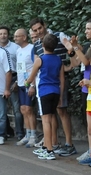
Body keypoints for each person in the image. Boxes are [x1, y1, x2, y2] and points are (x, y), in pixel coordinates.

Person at [62, 17, 91, 162]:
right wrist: (71, 50)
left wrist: (75, 47)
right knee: (90, 126)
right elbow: (77, 62)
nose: (86, 31)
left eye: (89, 28)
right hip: (86, 89)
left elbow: (87, 61)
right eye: (86, 28)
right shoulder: (87, 46)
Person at [30, 17, 78, 156]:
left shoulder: (59, 35)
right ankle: (52, 144)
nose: (38, 32)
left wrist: (70, 66)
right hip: (46, 84)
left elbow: (72, 49)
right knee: (50, 115)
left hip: (60, 81)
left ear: (44, 25)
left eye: (40, 28)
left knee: (62, 111)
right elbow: (37, 66)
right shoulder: (37, 45)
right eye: (35, 30)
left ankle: (69, 144)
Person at [25, 34, 64, 160]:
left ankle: (49, 149)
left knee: (45, 121)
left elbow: (31, 78)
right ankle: (49, 146)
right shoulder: (59, 59)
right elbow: (61, 79)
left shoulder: (40, 60)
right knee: (52, 118)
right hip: (56, 91)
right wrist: (61, 96)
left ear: (42, 46)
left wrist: (26, 83)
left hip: (44, 91)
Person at [0, 26, 24, 140]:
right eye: (1, 34)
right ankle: (6, 132)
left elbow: (21, 64)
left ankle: (20, 133)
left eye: (5, 33)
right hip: (0, 80)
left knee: (16, 108)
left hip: (14, 78)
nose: (3, 36)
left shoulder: (15, 47)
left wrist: (18, 80)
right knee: (1, 108)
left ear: (8, 35)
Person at [14, 28, 37, 147]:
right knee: (23, 109)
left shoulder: (32, 48)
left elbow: (35, 67)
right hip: (21, 84)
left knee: (29, 110)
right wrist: (18, 82)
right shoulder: (18, 51)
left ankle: (34, 135)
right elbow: (21, 67)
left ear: (24, 37)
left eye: (17, 36)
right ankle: (27, 134)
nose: (15, 38)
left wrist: (32, 84)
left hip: (29, 84)